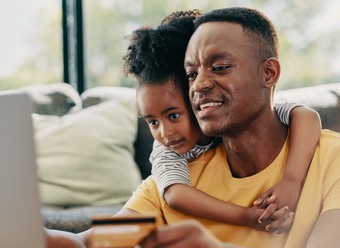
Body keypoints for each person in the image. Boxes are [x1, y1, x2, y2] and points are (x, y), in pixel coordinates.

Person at [47, 6, 340, 248]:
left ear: (269, 73)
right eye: (191, 74)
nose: (202, 84)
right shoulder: (174, 182)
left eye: (220, 67)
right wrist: (18, 237)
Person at [122, 10, 322, 234]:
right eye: (152, 122)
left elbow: (305, 115)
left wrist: (292, 181)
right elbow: (174, 195)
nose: (166, 133)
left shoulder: (329, 158)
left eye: (173, 116)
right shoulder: (167, 157)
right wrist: (247, 216)